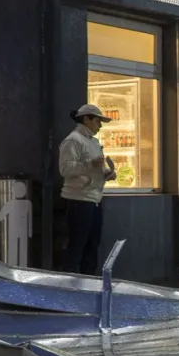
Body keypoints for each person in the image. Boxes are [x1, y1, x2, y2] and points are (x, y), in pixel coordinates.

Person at [59, 104, 116, 274]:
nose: (100, 125)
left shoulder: (93, 141)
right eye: (98, 121)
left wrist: (106, 173)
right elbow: (65, 169)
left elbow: (93, 169)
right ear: (86, 119)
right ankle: (70, 287)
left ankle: (87, 285)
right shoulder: (73, 140)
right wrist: (89, 165)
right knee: (77, 247)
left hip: (93, 200)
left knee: (92, 246)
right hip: (78, 200)